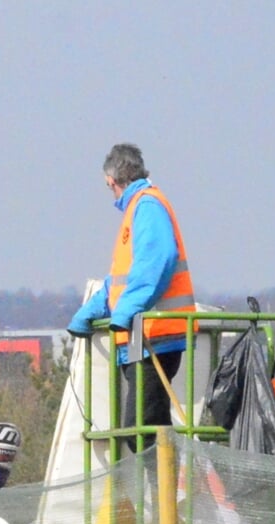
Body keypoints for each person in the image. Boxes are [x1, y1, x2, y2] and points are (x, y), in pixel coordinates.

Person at [67, 143, 195, 449]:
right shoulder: (139, 207)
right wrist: (93, 309)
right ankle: (165, 493)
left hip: (156, 338)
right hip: (144, 340)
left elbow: (156, 262)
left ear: (111, 180)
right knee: (150, 430)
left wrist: (125, 312)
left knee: (143, 433)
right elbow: (122, 280)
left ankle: (168, 494)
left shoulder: (146, 206)